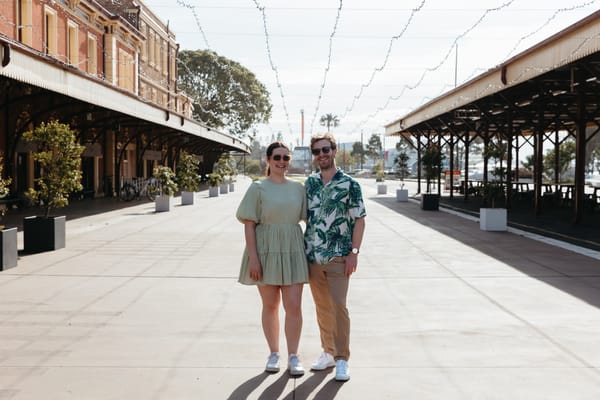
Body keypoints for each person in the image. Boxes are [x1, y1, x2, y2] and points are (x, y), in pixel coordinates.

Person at [236, 142, 308, 376]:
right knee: (270, 305)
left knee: (294, 306)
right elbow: (249, 225)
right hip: (265, 250)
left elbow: (310, 221)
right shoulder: (258, 188)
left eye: (286, 157)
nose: (282, 161)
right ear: (268, 159)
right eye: (277, 156)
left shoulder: (299, 189)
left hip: (292, 249)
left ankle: (294, 356)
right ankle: (274, 353)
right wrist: (254, 258)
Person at [304, 132, 366, 382]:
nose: (322, 155)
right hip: (313, 255)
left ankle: (342, 358)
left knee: (339, 306)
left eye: (326, 150)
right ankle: (328, 352)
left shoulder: (350, 184)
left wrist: (354, 252)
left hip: (339, 256)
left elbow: (359, 220)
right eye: (317, 151)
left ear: (334, 150)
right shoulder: (310, 184)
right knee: (322, 307)